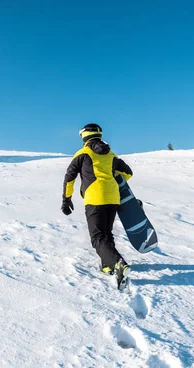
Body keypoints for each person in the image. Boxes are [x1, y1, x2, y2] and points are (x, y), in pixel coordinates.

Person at [61, 123, 133, 289]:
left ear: (84, 136)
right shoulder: (111, 154)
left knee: (97, 237)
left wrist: (66, 199)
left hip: (95, 199)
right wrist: (113, 182)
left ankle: (118, 263)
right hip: (113, 198)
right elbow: (128, 173)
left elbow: (69, 178)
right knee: (106, 233)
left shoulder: (83, 153)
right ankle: (107, 266)